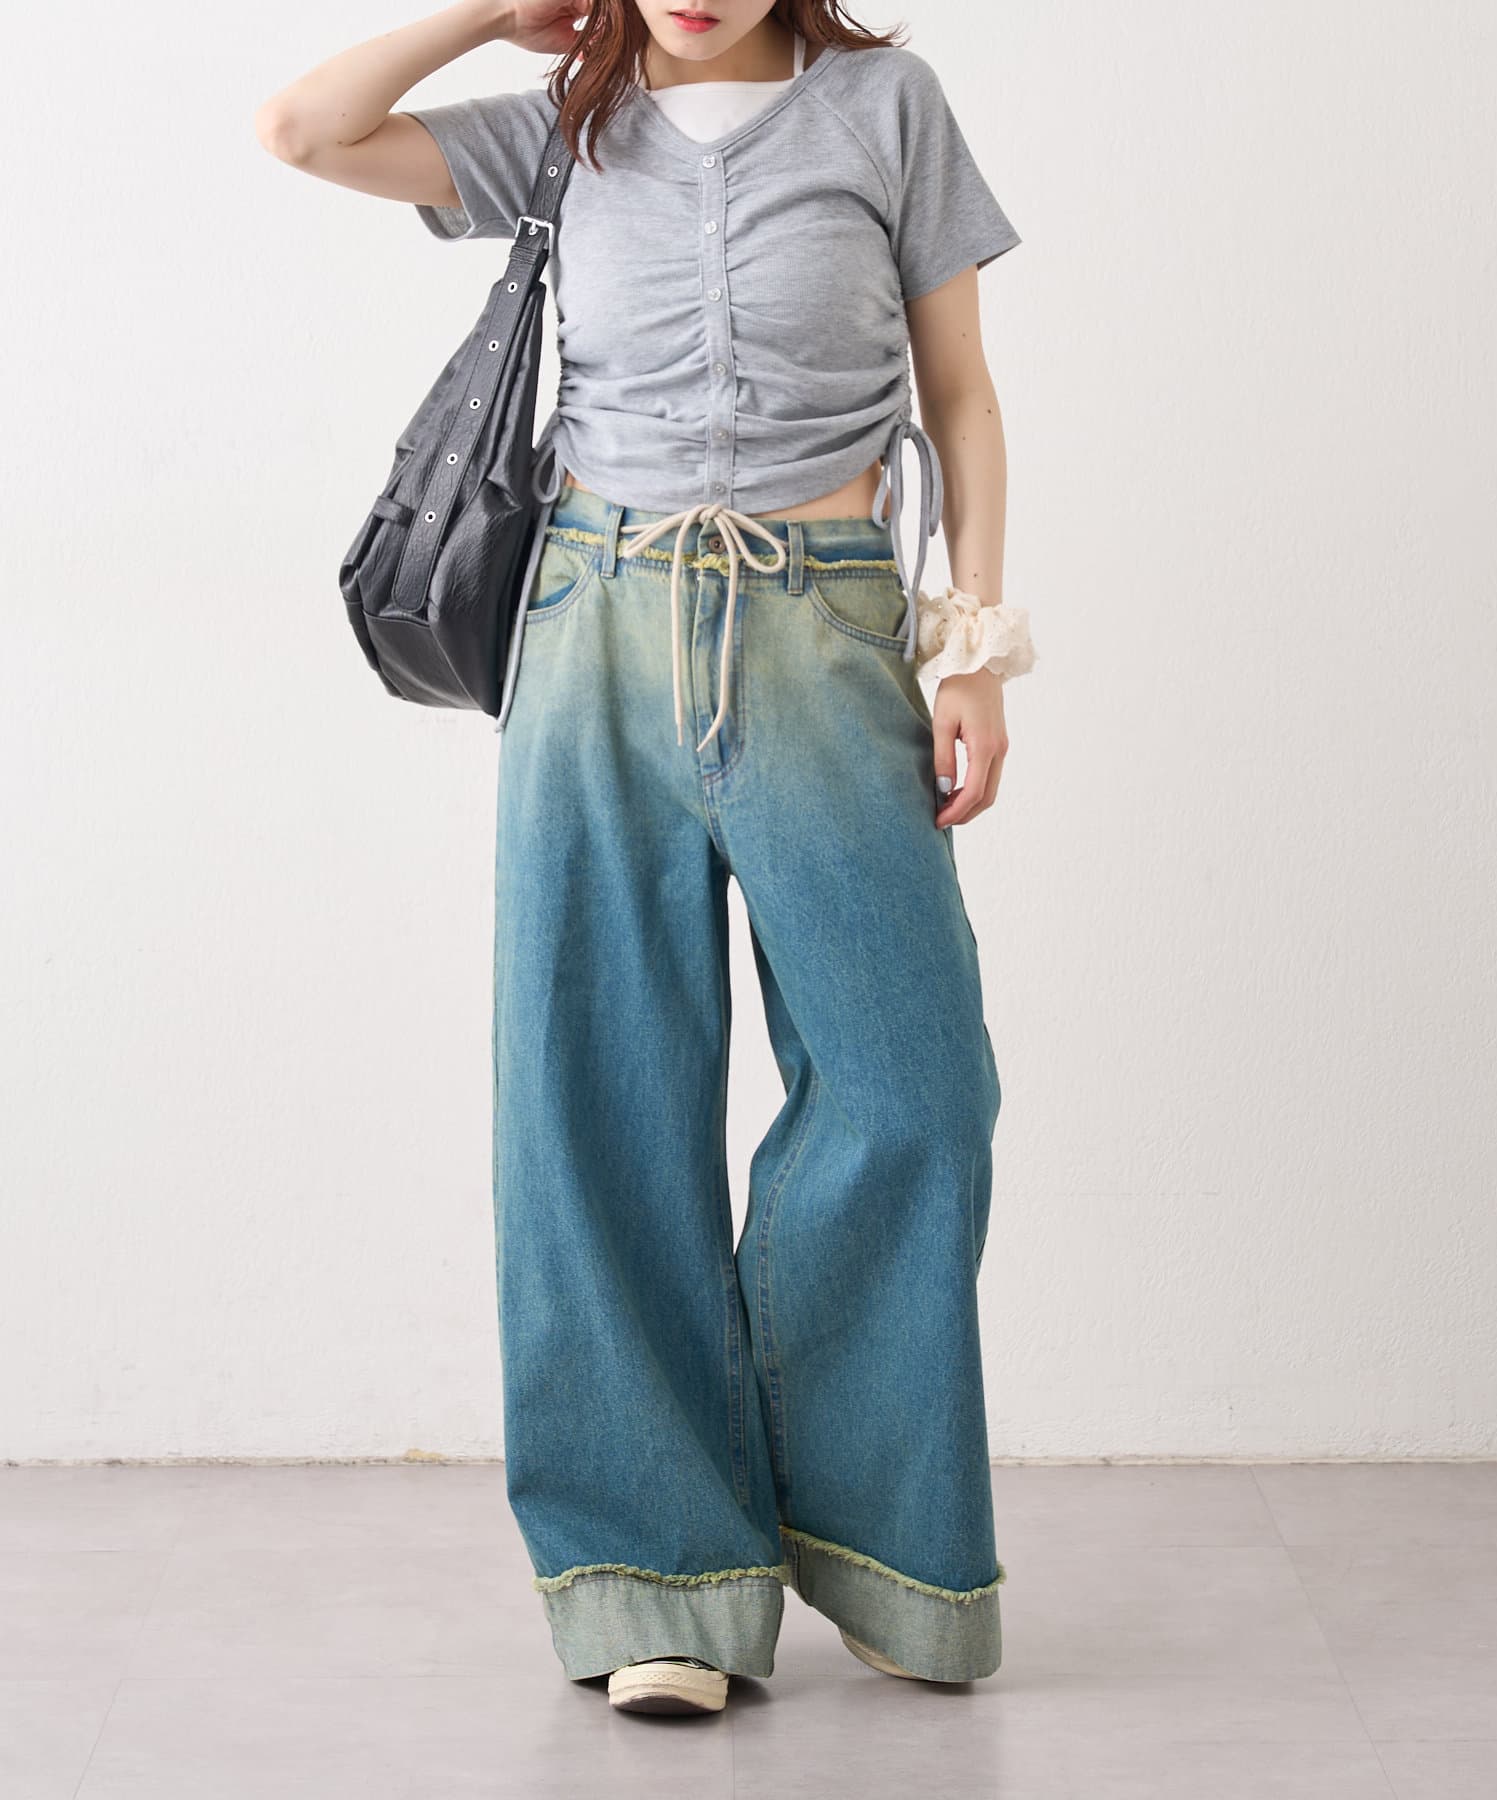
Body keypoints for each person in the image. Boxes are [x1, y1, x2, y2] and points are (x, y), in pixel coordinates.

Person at [256, 0, 1036, 1718]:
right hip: (592, 627)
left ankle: (873, 1536)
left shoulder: (886, 107)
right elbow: (305, 130)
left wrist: (972, 643)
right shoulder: (565, 120)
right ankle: (656, 1578)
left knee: (916, 1090)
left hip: (828, 628)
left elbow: (965, 396)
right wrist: (495, 9)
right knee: (595, 1100)